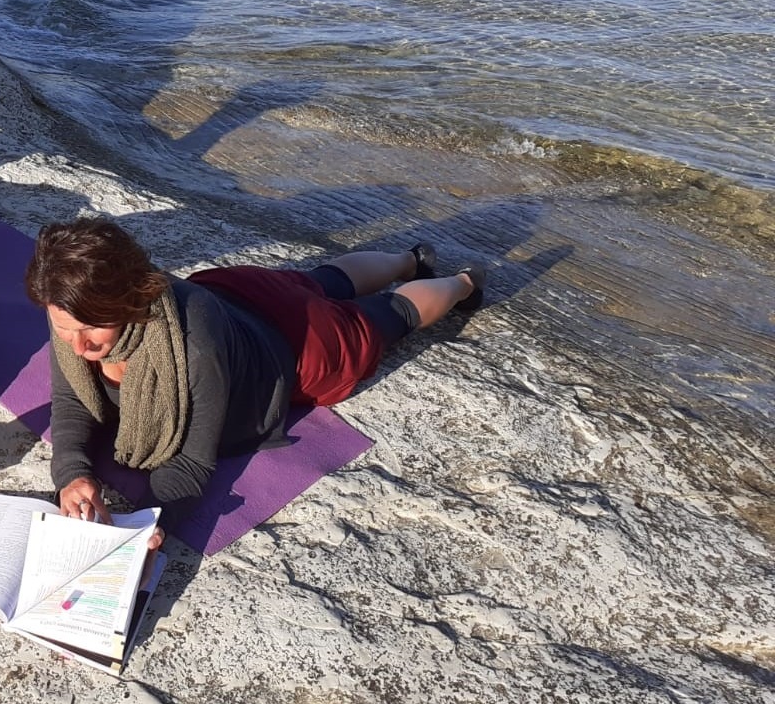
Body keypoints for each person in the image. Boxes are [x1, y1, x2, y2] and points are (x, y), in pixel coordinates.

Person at [24, 217, 484, 522]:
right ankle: (410, 258)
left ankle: (461, 282)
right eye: (65, 330)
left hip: (293, 350)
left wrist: (140, 526)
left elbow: (192, 462)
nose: (79, 346)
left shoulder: (191, 347)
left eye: (91, 331)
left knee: (385, 317)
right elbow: (70, 402)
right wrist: (73, 474)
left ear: (128, 302)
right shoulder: (69, 303)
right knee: (320, 281)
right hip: (239, 297)